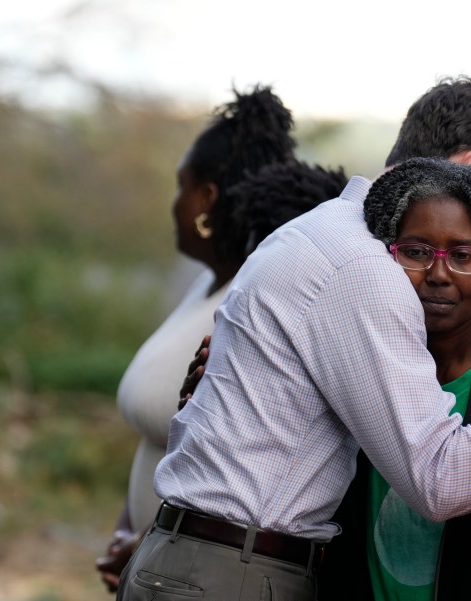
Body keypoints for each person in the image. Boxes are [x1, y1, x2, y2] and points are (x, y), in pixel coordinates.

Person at [115, 78, 471, 601]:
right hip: (234, 572)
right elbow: (437, 478)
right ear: (470, 173)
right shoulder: (364, 271)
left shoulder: (321, 232)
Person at [95, 85, 347, 592]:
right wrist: (134, 532)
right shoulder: (201, 288)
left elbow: (236, 454)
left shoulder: (250, 310)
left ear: (206, 199)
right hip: (163, 562)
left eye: (180, 185)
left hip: (199, 569)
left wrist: (147, 537)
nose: (175, 202)